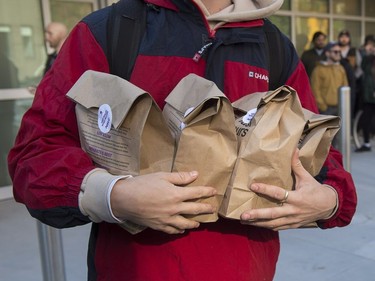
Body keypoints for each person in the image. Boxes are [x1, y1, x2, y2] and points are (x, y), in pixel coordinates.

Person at [7, 1, 357, 280]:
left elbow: (322, 161)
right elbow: (34, 158)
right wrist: (114, 194)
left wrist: (328, 200)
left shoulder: (273, 47)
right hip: (133, 268)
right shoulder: (110, 31)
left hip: (250, 267)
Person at [310, 41, 349, 116]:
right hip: (326, 110)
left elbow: (345, 86)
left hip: (340, 107)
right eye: (335, 52)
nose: (338, 54)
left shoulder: (341, 68)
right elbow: (315, 90)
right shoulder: (318, 70)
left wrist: (344, 104)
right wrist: (323, 107)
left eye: (339, 52)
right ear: (327, 53)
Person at [355, 38, 375, 152]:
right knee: (365, 120)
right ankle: (366, 143)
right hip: (368, 97)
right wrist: (365, 52)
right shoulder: (367, 60)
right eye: (369, 46)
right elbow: (361, 67)